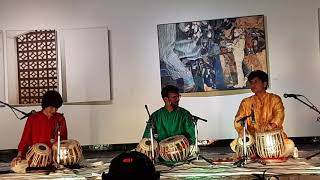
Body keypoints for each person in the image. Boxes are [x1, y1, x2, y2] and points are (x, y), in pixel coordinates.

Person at [230, 70, 296, 159]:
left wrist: (271, 126)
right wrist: (243, 133)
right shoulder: (246, 102)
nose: (253, 85)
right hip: (254, 138)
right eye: (251, 83)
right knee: (234, 145)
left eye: (256, 82)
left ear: (264, 84)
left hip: (272, 138)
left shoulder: (275, 99)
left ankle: (262, 153)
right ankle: (258, 152)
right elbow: (238, 120)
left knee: (289, 145)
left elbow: (279, 115)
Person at [11, 90, 68, 167]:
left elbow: (63, 140)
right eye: (51, 107)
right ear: (45, 105)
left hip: (54, 158)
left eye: (56, 108)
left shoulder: (60, 118)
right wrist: (19, 155)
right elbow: (25, 139)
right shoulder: (33, 118)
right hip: (36, 158)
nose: (54, 110)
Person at [142, 85, 196, 160]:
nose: (177, 99)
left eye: (178, 96)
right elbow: (147, 137)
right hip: (162, 155)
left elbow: (192, 135)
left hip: (182, 154)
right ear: (166, 99)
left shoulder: (184, 114)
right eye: (174, 97)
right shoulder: (155, 116)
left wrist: (188, 147)